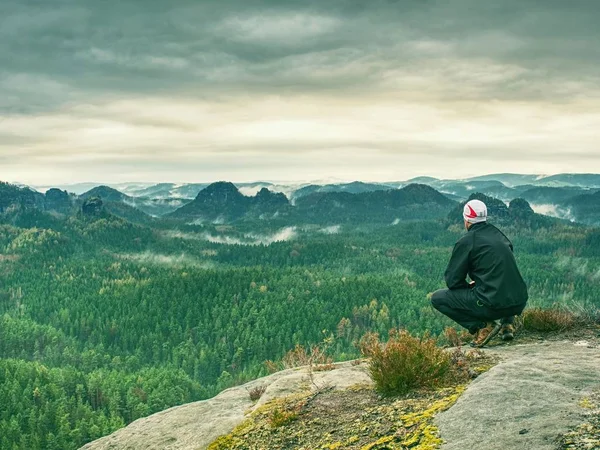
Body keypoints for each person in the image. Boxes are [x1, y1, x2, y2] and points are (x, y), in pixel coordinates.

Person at [431, 199, 528, 347]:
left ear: (466, 220)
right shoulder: (499, 235)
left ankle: (482, 327)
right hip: (518, 301)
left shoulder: (467, 241)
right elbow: (502, 269)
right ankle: (507, 325)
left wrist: (471, 288)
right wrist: (482, 281)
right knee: (505, 284)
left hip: (492, 304)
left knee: (437, 298)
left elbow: (452, 281)